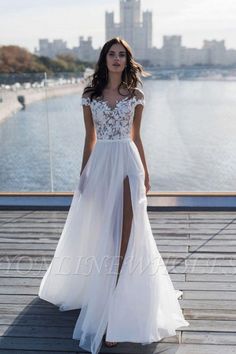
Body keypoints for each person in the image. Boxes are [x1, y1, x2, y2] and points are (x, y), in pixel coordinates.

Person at [38, 37, 189, 354]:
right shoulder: (89, 95)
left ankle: (114, 316)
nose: (117, 59)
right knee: (105, 234)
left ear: (127, 60)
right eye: (112, 54)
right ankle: (104, 298)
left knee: (125, 236)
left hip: (127, 165)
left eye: (122, 55)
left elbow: (137, 136)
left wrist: (146, 173)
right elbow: (89, 138)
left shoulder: (135, 94)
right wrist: (84, 174)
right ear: (104, 59)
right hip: (100, 166)